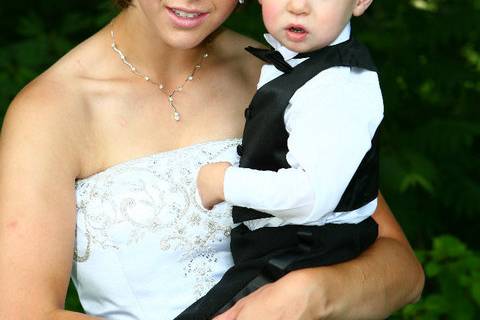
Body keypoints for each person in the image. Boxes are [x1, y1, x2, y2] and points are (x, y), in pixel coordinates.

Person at [0, 0, 423, 319]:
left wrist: (313, 294)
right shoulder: (52, 110)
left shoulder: (280, 73)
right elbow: (21, 313)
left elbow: (402, 270)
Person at [178, 0, 384, 318]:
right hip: (287, 246)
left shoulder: (338, 87)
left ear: (359, 2)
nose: (298, 6)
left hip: (307, 249)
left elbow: (311, 196)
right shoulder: (303, 65)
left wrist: (224, 182)